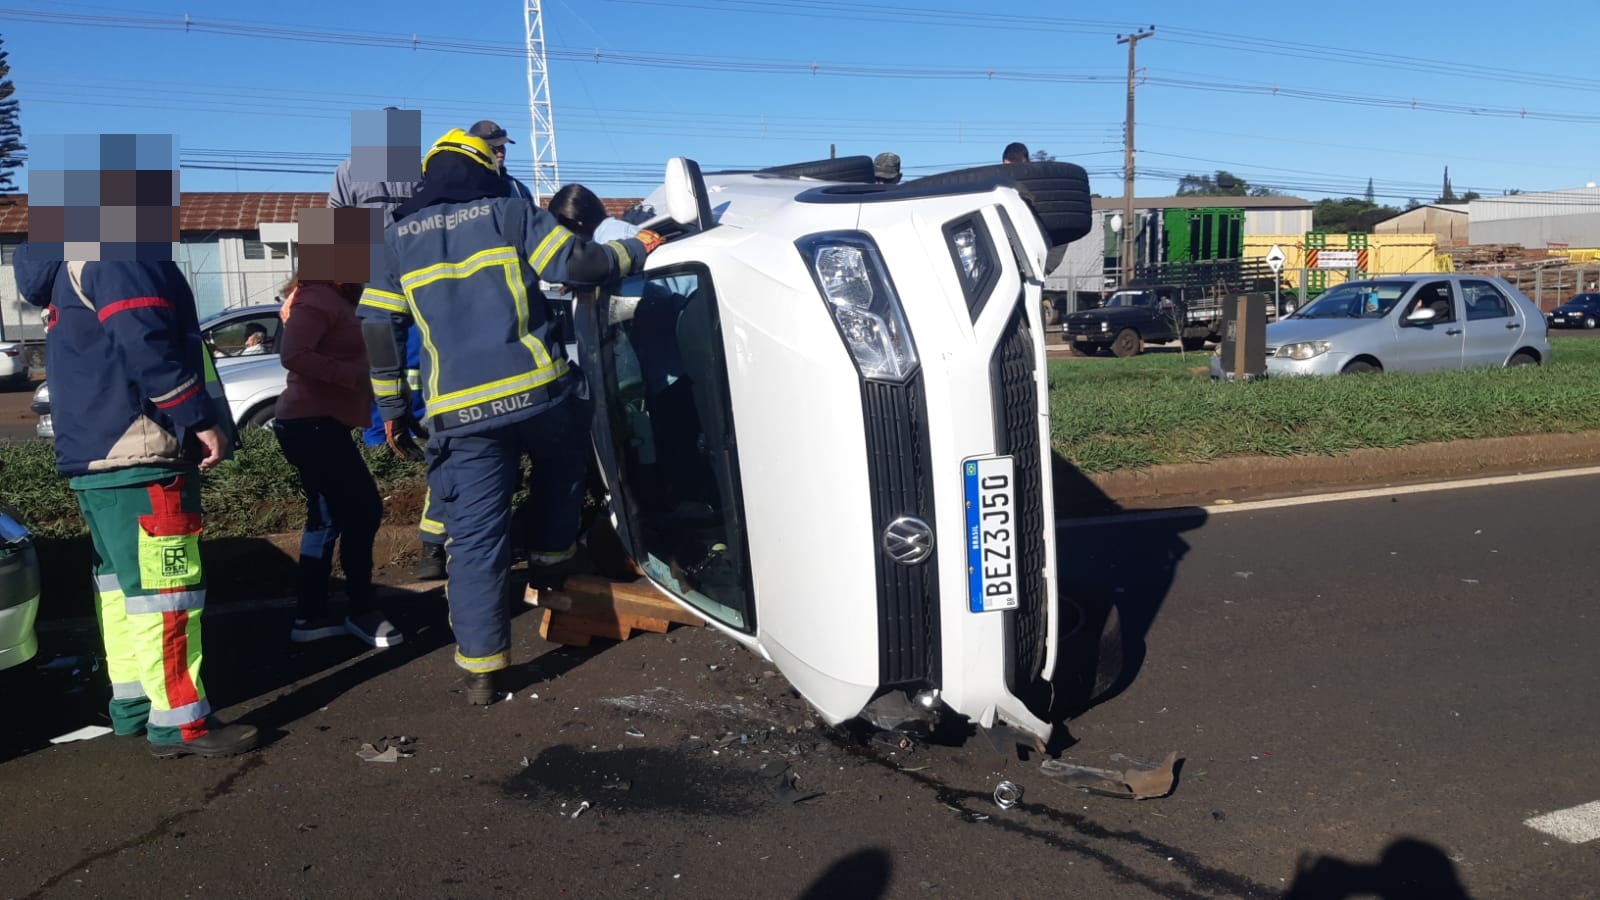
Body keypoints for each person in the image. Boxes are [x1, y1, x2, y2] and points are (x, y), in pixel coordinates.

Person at [360, 128, 661, 704]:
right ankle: (552, 568)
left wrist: (394, 407)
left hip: (460, 415)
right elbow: (582, 264)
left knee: (474, 541)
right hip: (537, 394)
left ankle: (483, 669)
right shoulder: (509, 213)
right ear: (485, 170)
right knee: (561, 470)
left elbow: (376, 325)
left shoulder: (393, 241)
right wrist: (639, 245)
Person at [13, 244, 258, 759]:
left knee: (123, 591)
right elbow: (144, 338)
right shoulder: (116, 243)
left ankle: (134, 706)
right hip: (142, 450)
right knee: (168, 592)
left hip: (97, 456)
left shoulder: (67, 256)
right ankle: (181, 724)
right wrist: (196, 416)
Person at [273, 270, 399, 648]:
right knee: (363, 510)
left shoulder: (346, 297)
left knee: (326, 517)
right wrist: (353, 377)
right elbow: (293, 355)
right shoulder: (316, 297)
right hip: (310, 424)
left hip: (321, 424)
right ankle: (361, 610)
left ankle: (309, 616)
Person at [468, 120, 534, 201]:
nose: (500, 151)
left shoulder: (518, 188)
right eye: (493, 146)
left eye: (502, 145)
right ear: (477, 148)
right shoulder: (460, 186)